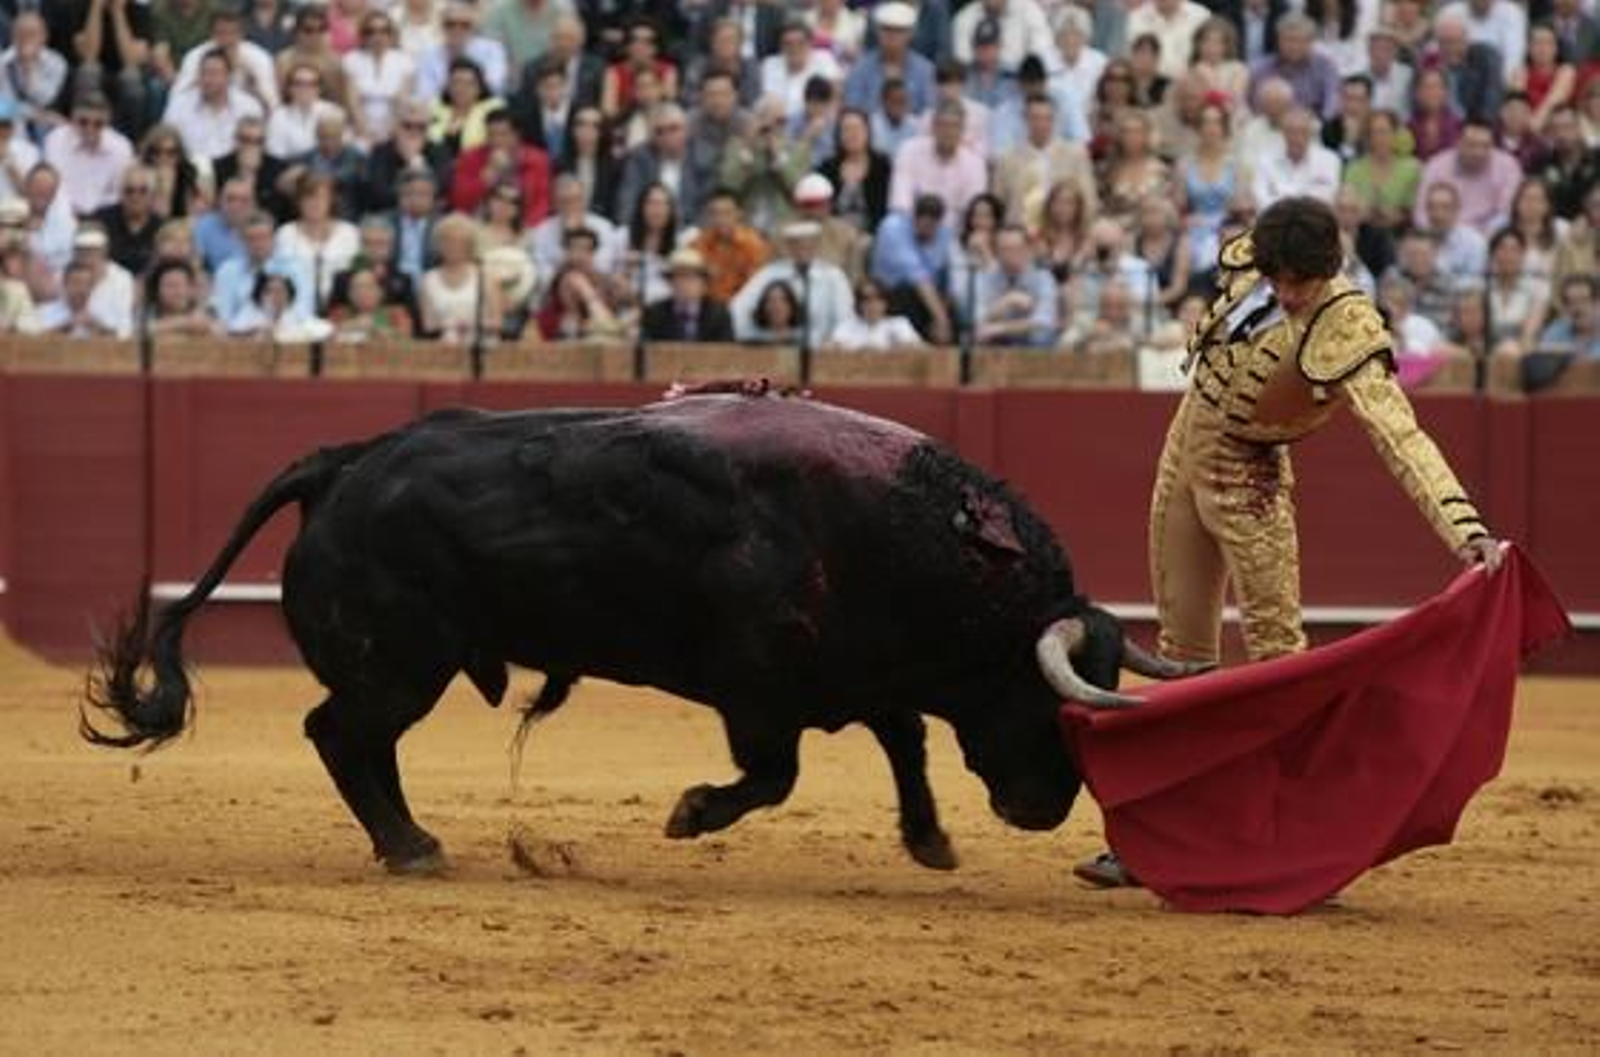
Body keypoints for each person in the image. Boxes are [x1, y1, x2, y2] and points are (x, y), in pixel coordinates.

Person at [1074, 196, 1503, 890]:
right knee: (1182, 660)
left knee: (1280, 666)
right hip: (1184, 456)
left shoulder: (1346, 326)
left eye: (1297, 281)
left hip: (1252, 485)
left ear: (1326, 270)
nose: (1284, 291)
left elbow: (1401, 436)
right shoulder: (1259, 266)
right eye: (1276, 276)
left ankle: (1292, 843)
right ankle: (1152, 843)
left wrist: (1466, 528)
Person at [639, 248, 734, 343]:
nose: (684, 284)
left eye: (691, 277)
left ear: (703, 283)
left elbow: (727, 351)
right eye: (679, 277)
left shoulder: (718, 315)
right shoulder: (655, 313)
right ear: (671, 282)